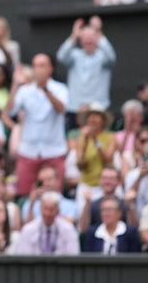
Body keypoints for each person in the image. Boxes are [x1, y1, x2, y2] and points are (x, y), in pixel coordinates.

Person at [7, 56, 69, 197]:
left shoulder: (60, 88)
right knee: (24, 193)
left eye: (42, 65)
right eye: (35, 66)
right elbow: (10, 111)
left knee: (55, 196)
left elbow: (61, 109)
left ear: (50, 69)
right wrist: (15, 85)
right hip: (28, 150)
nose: (38, 69)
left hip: (54, 150)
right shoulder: (24, 91)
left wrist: (45, 90)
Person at [55, 17, 115, 125]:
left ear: (97, 38)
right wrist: (74, 35)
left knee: (98, 142)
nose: (88, 40)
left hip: (99, 108)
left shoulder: (103, 57)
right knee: (75, 140)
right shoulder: (74, 56)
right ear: (80, 39)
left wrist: (98, 31)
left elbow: (112, 57)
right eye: (85, 37)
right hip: (75, 109)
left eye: (91, 37)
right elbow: (61, 56)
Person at [15, 191, 80, 255]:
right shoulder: (28, 230)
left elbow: (73, 255)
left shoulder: (68, 229)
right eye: (45, 209)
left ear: (58, 211)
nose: (48, 213)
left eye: (51, 209)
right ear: (40, 209)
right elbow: (24, 256)